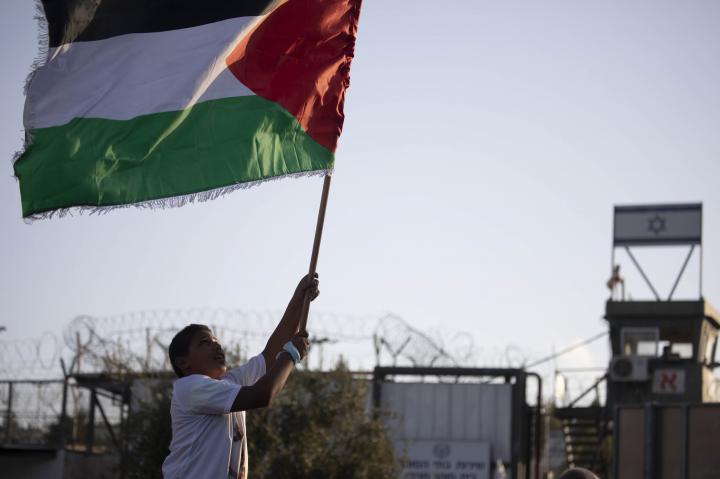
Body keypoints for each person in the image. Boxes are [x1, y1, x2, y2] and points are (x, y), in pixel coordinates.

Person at [161, 274, 320, 479]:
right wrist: (291, 354)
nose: (216, 345)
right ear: (184, 363)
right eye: (205, 343)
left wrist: (299, 300)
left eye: (216, 340)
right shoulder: (190, 388)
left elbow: (269, 357)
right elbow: (263, 394)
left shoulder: (229, 384)